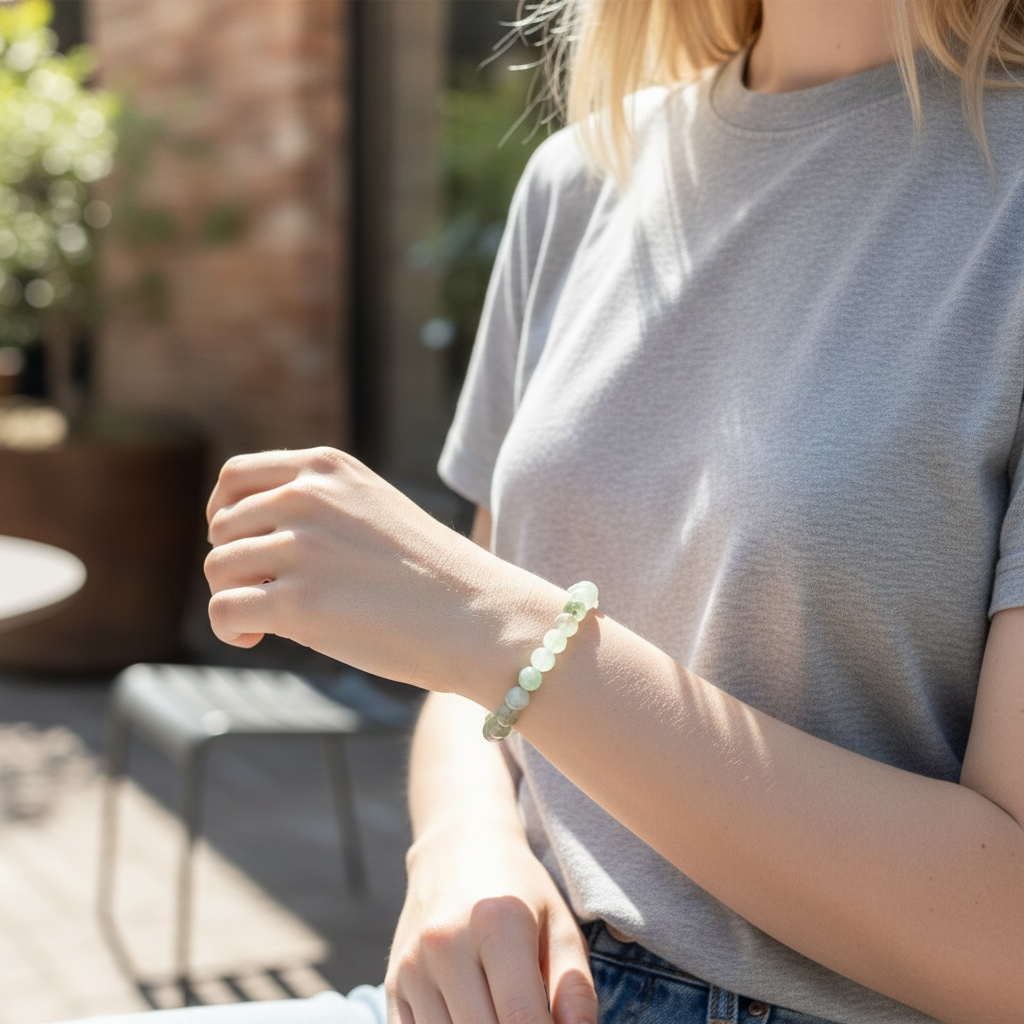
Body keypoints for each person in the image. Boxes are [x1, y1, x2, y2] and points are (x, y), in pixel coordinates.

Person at [75, 1, 1024, 1022]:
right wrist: (463, 848)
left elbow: (1004, 940)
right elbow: (472, 690)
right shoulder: (581, 180)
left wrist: (502, 625)